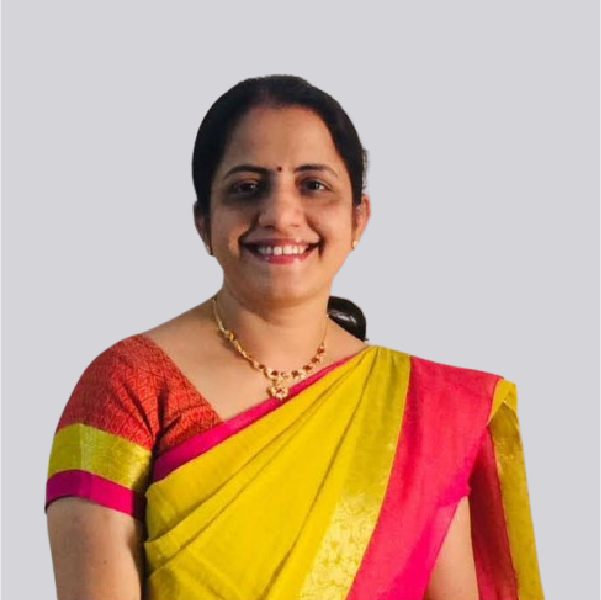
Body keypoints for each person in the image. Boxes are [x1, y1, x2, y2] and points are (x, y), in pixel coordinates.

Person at [45, 75, 544, 600]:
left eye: (313, 185)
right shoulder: (128, 386)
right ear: (203, 222)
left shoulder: (424, 415)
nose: (281, 215)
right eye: (246, 187)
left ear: (358, 219)